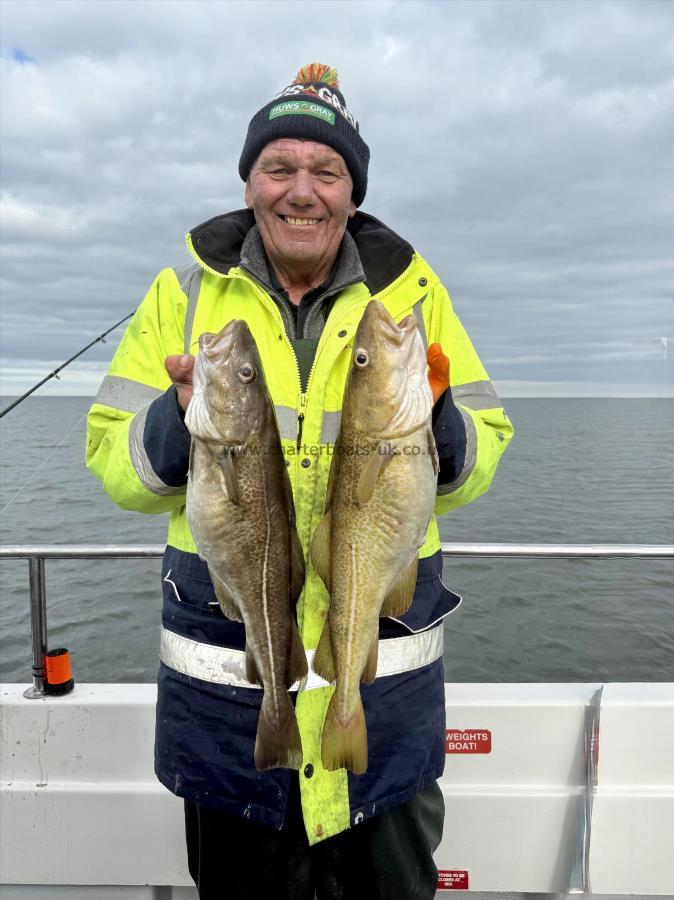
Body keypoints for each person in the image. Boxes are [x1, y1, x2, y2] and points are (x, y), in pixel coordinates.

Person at [86, 63, 513, 900]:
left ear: (353, 193)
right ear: (249, 183)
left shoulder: (413, 292)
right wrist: (182, 423)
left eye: (326, 172)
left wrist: (443, 423)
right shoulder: (180, 294)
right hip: (230, 699)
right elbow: (112, 461)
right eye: (278, 168)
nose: (301, 191)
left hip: (381, 702)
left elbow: (484, 451)